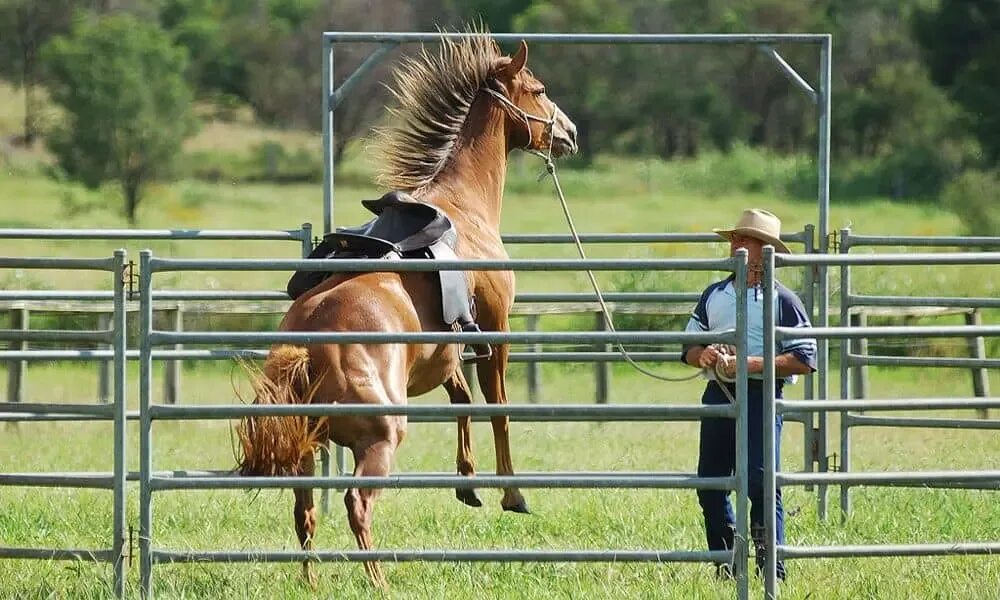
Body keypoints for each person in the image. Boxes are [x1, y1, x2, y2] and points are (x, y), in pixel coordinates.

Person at [681, 208, 817, 580]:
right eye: (735, 238)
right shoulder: (714, 294)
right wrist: (704, 355)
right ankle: (728, 567)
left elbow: (805, 359)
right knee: (711, 483)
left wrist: (752, 364)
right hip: (718, 392)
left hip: (761, 395)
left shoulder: (784, 301)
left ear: (765, 249)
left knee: (760, 481)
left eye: (744, 239)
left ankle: (770, 567)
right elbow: (688, 348)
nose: (735, 244)